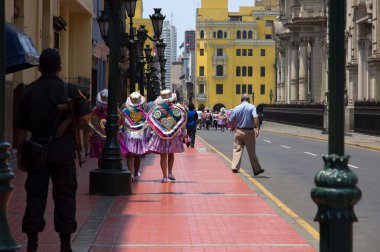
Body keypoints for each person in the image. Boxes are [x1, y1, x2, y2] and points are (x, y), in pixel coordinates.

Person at [14, 48, 92, 252]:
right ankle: (65, 245)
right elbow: (85, 119)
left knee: (35, 196)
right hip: (63, 151)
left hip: (36, 150)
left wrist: (22, 155)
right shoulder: (70, 90)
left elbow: (20, 131)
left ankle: (32, 244)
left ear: (39, 67)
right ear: (60, 68)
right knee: (65, 196)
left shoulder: (28, 91)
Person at [146, 89, 188, 183]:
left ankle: (164, 176)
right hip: (174, 134)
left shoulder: (156, 110)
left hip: (160, 135)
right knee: (171, 154)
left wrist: (148, 134)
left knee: (163, 155)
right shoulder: (178, 109)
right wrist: (184, 134)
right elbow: (182, 122)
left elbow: (152, 123)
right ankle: (170, 172)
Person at [228, 94, 265, 176]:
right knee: (251, 151)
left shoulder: (237, 108)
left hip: (239, 130)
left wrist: (234, 126)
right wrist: (257, 128)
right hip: (249, 131)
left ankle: (234, 167)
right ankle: (256, 169)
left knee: (237, 149)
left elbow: (230, 120)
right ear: (249, 100)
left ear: (241, 100)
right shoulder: (252, 107)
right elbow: (255, 117)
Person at [88, 89, 128, 159]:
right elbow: (94, 124)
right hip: (100, 137)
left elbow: (121, 122)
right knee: (101, 156)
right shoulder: (96, 111)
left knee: (113, 156)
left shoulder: (116, 111)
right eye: (104, 99)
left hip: (113, 137)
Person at [121, 92, 149, 181]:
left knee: (130, 155)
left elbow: (122, 124)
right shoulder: (143, 113)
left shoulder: (124, 112)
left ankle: (131, 174)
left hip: (128, 135)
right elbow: (146, 125)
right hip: (139, 136)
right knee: (137, 156)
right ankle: (136, 173)